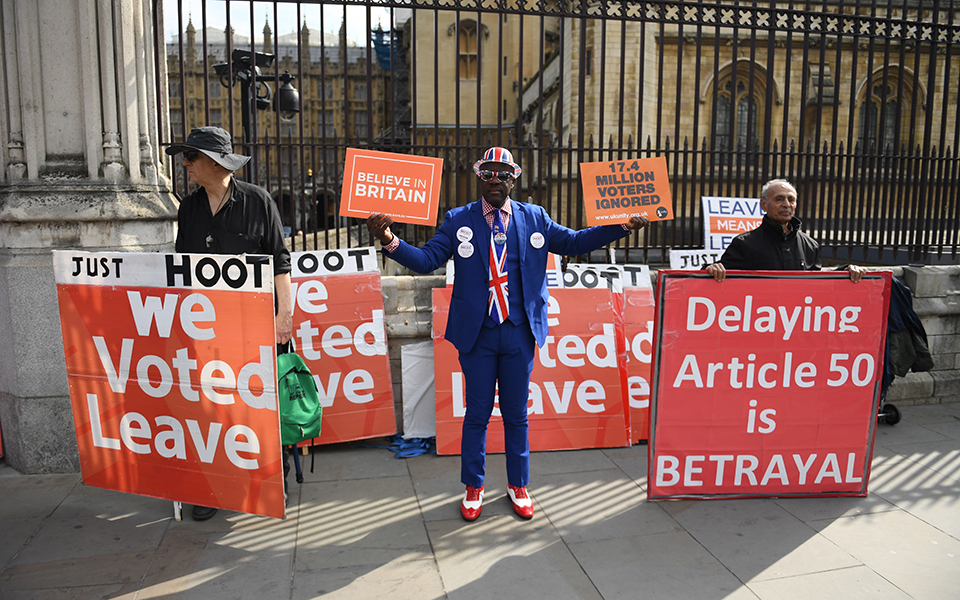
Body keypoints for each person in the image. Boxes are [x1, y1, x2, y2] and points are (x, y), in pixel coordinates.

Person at [366, 147, 651, 521]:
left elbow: (576, 242)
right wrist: (388, 238)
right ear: (478, 177)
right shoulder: (458, 220)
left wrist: (622, 227)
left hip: (519, 332)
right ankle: (474, 487)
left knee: (517, 415)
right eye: (488, 174)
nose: (495, 181)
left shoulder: (535, 218)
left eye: (503, 174)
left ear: (515, 178)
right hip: (477, 335)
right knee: (478, 414)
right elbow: (425, 261)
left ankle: (518, 485)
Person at [166, 126, 293, 521]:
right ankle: (214, 486)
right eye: (184, 157)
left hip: (255, 327)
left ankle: (273, 478)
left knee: (261, 403)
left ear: (216, 162)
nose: (184, 164)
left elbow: (279, 260)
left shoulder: (258, 201)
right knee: (212, 406)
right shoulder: (188, 208)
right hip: (206, 329)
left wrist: (283, 316)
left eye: (190, 157)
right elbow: (181, 270)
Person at [706, 178, 866, 282]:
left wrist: (846, 270)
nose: (786, 204)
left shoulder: (810, 245)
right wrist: (711, 268)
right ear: (763, 205)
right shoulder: (744, 243)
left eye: (791, 200)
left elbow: (819, 281)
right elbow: (717, 276)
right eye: (779, 199)